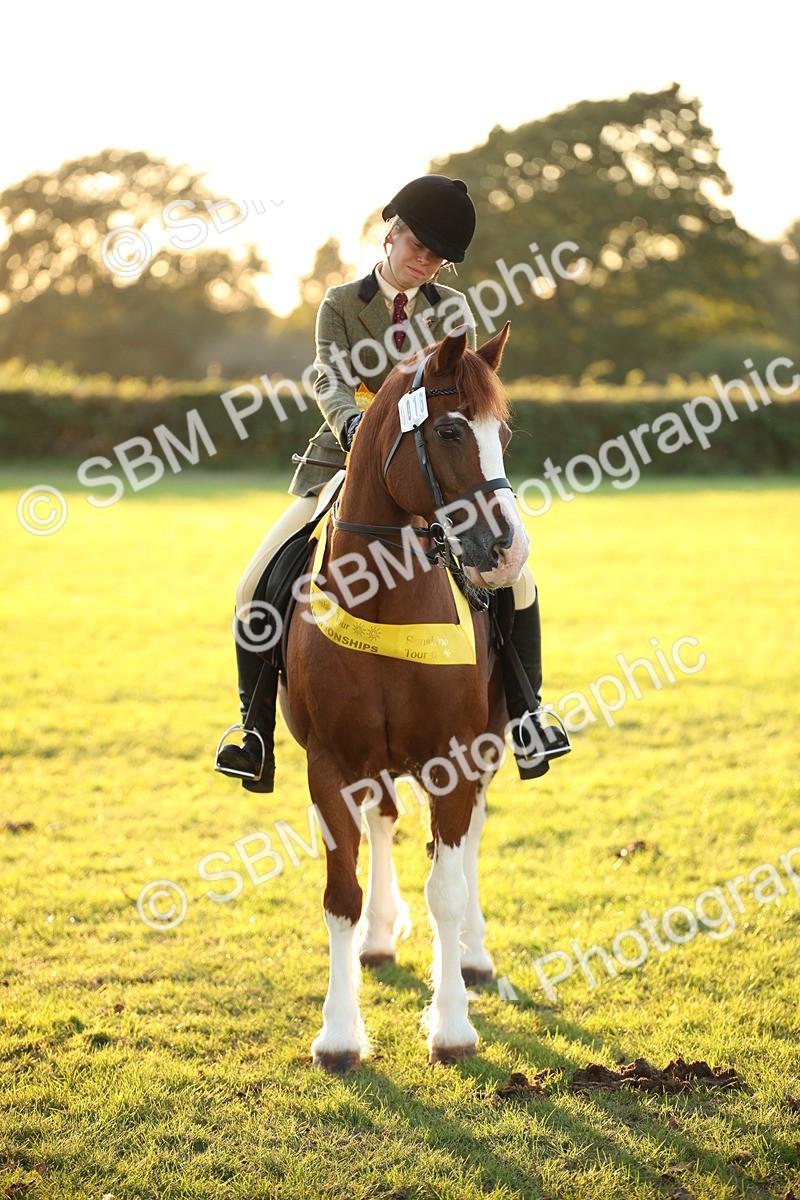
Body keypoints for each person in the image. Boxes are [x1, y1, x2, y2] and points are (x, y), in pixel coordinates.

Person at [215, 174, 570, 792]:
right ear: (391, 234)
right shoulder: (340, 304)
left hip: (428, 474)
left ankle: (528, 714)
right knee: (253, 583)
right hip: (342, 465)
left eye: (438, 256)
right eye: (418, 246)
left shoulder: (449, 312)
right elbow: (328, 378)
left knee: (520, 578)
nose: (425, 260)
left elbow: (460, 392)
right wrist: (355, 428)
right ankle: (254, 732)